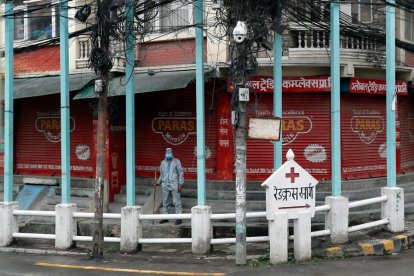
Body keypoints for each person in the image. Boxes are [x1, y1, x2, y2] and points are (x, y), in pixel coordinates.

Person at [156, 148, 184, 225]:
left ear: (172, 153)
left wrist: (180, 184)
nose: (168, 155)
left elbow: (180, 173)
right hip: (165, 184)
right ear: (165, 154)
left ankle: (179, 218)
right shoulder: (162, 163)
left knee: (176, 201)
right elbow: (162, 174)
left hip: (174, 184)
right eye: (167, 154)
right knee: (165, 201)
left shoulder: (177, 161)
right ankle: (165, 217)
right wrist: (158, 182)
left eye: (170, 154)